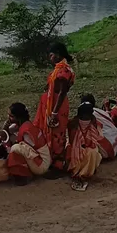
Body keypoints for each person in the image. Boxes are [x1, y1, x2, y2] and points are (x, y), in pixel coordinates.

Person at [36, 43, 75, 174]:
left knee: (58, 134)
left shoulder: (64, 70)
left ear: (58, 54)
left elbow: (62, 93)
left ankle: (58, 166)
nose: (50, 58)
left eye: (51, 55)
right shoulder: (59, 68)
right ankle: (51, 162)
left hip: (57, 106)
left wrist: (54, 112)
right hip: (51, 104)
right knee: (50, 132)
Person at [65, 102, 108, 191]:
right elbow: (72, 141)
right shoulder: (73, 124)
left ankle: (84, 173)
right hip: (75, 150)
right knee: (89, 152)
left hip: (88, 148)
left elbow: (97, 138)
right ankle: (81, 173)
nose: (86, 117)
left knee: (93, 152)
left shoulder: (94, 123)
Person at [5, 102, 50, 184]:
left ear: (18, 117)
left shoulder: (26, 131)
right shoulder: (27, 124)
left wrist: (9, 133)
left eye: (11, 116)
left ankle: (23, 175)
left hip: (42, 165)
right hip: (42, 160)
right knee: (18, 146)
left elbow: (29, 150)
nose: (8, 118)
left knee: (15, 148)